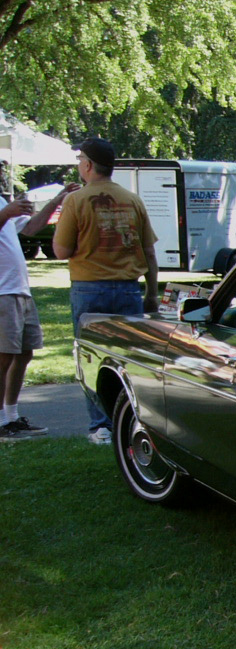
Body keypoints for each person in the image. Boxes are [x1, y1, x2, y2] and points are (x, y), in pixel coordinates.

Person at [51, 138, 158, 444]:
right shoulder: (132, 200)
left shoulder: (76, 201)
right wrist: (151, 292)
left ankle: (101, 425)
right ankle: (134, 416)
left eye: (79, 160)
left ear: (87, 165)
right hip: (128, 290)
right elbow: (149, 252)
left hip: (89, 290)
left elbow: (60, 250)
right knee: (130, 358)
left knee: (91, 358)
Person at [0, 186, 72, 439]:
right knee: (4, 356)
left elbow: (30, 228)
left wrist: (56, 200)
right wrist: (6, 212)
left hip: (19, 289)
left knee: (23, 353)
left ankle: (11, 417)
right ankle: (1, 422)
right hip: (2, 292)